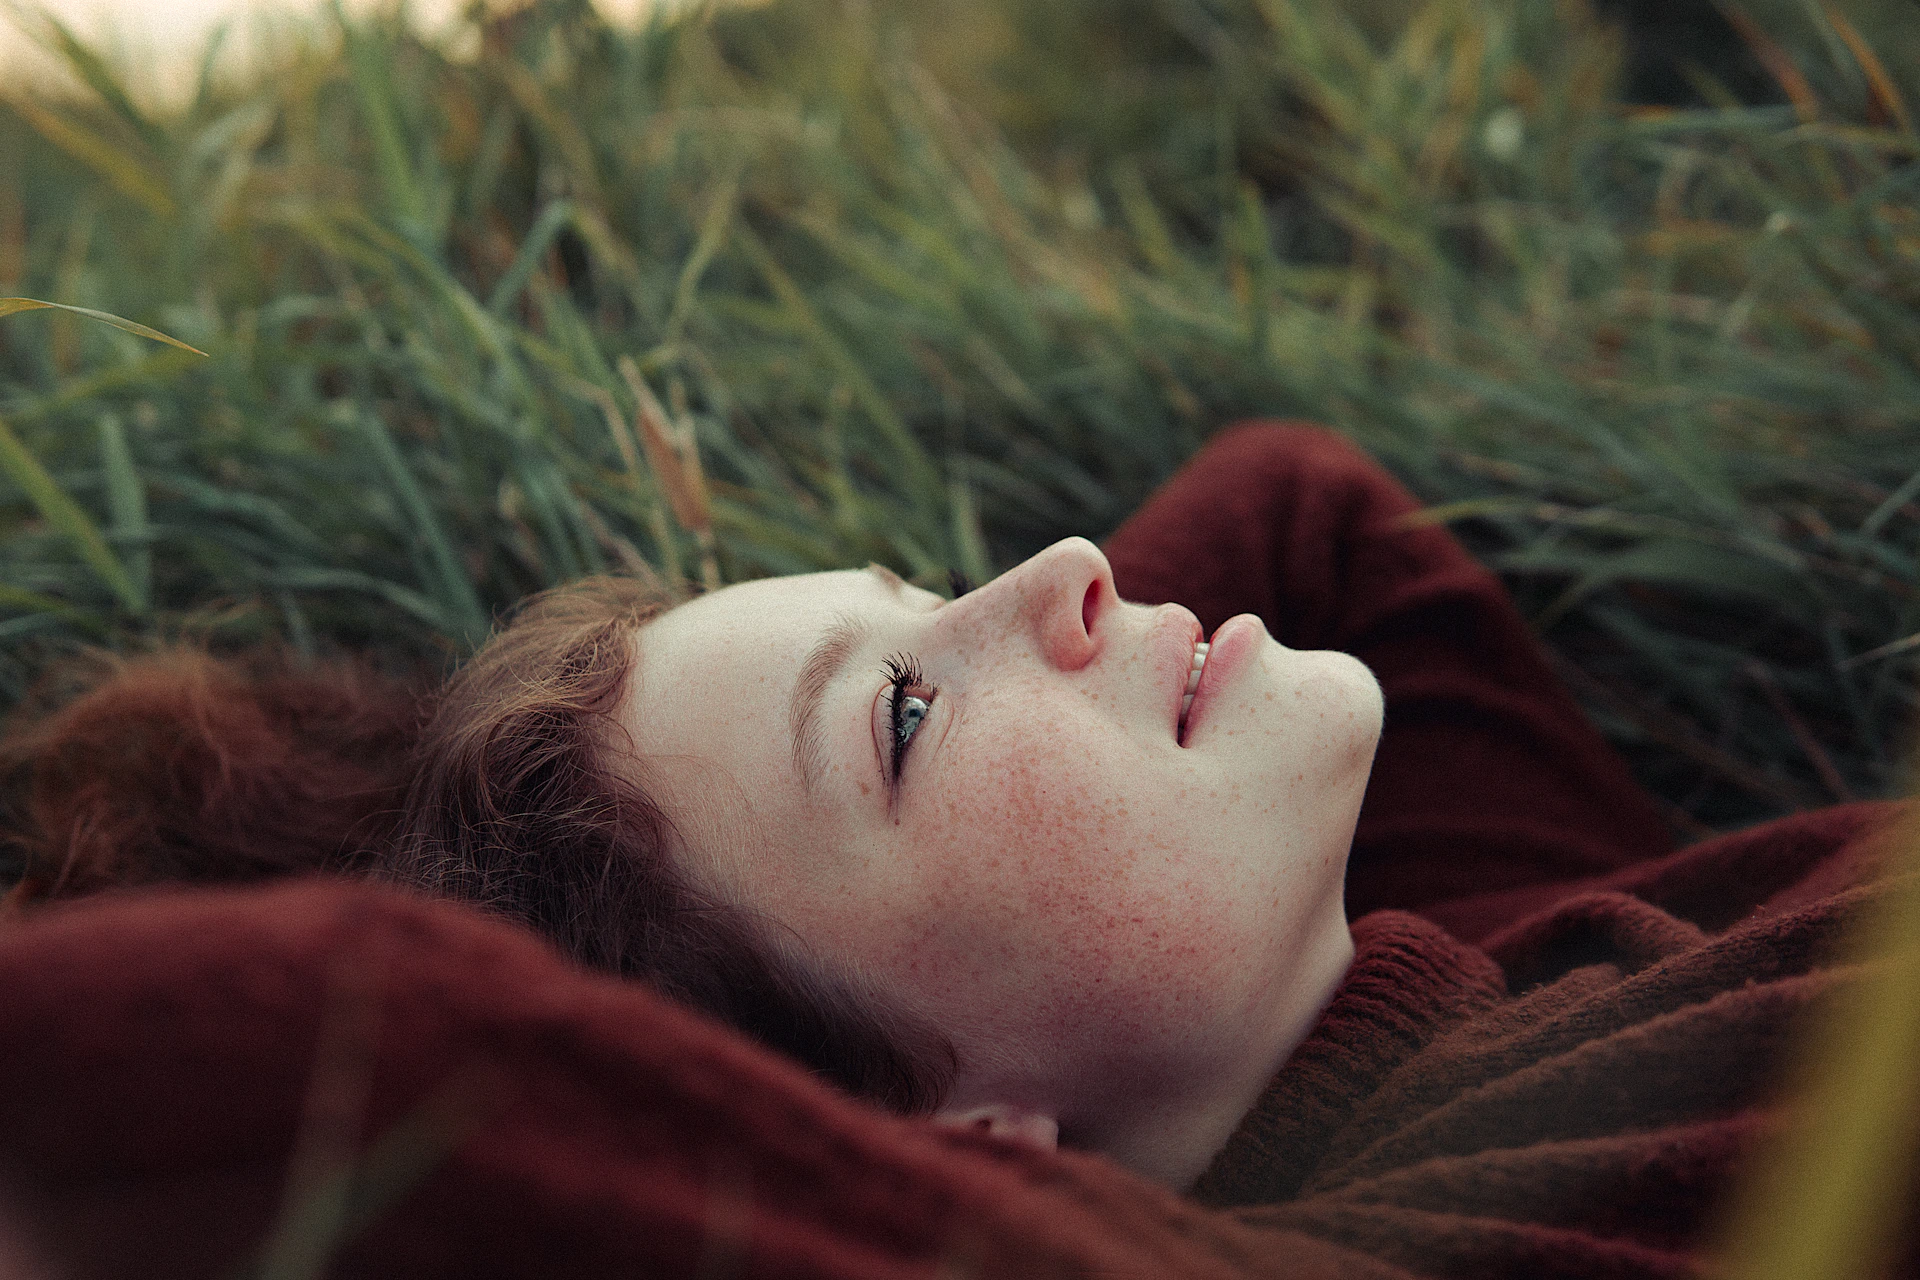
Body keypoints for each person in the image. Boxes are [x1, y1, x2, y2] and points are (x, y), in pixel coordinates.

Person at [0, 421, 1907, 1278]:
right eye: (904, 714)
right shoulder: (1468, 1233)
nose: (1070, 576)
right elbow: (329, 1037)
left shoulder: (1486, 926)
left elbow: (1294, 501)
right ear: (949, 1157)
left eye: (929, 589)